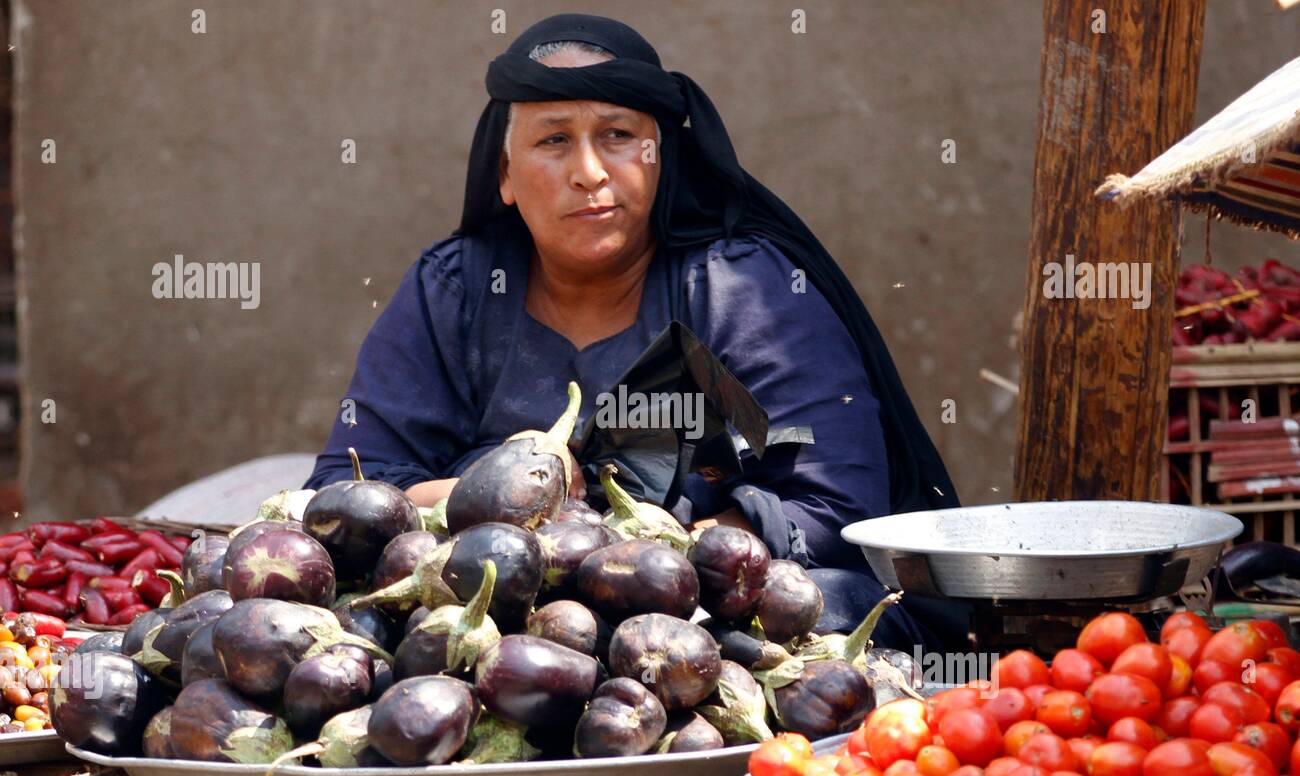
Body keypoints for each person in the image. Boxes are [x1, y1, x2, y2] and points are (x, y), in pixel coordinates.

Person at [306, 13, 967, 654]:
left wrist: (638, 559)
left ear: (660, 160)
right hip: (497, 616)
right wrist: (521, 492)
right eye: (553, 140)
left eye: (618, 135)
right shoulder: (454, 291)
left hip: (696, 622)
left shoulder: (739, 289)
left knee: (821, 605)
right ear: (504, 174)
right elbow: (347, 496)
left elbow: (834, 507)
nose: (590, 171)